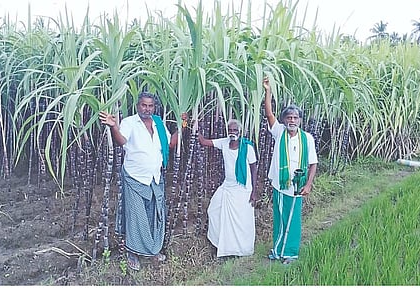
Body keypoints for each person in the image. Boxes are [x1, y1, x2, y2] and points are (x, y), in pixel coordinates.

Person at [99, 92, 185, 271]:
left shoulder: (158, 123)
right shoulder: (130, 122)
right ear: (138, 106)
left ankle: (153, 250)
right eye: (144, 105)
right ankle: (133, 253)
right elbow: (122, 141)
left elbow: (169, 144)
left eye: (150, 106)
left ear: (154, 107)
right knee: (137, 217)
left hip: (154, 177)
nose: (147, 109)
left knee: (154, 214)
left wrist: (183, 125)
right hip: (135, 177)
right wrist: (113, 126)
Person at [263, 77, 318, 264]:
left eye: (295, 117)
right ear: (284, 120)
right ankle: (278, 251)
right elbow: (269, 113)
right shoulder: (279, 132)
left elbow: (313, 163)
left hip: (298, 186)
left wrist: (309, 184)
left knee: (293, 221)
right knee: (279, 218)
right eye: (289, 117)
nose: (292, 120)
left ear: (300, 120)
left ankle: (291, 253)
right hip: (280, 184)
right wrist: (268, 91)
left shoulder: (307, 138)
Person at [198, 119, 259, 258]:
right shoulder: (224, 142)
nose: (232, 133)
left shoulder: (247, 148)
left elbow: (254, 169)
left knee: (241, 221)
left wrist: (254, 192)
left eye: (235, 130)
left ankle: (241, 250)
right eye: (230, 130)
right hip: (227, 187)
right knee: (213, 210)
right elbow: (204, 142)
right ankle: (220, 245)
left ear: (240, 132)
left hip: (243, 189)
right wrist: (190, 124)